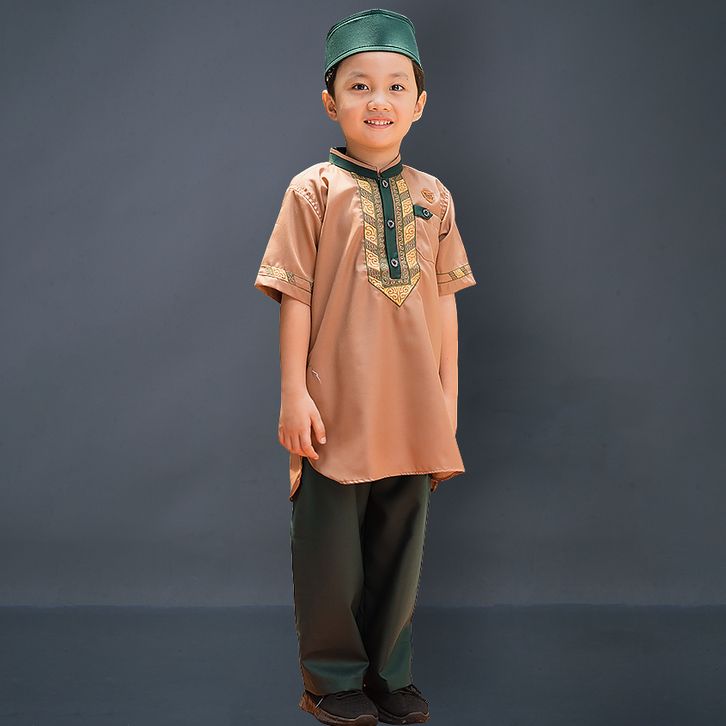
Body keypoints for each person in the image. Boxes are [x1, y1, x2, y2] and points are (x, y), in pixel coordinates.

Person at [254, 8, 477, 725]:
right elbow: (294, 294)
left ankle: (389, 675)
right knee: (331, 556)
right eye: (358, 86)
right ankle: (331, 680)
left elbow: (445, 303)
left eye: (395, 86)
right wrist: (293, 394)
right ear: (331, 102)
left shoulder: (434, 197)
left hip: (414, 408)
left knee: (398, 551)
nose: (377, 100)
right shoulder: (312, 191)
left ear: (419, 103)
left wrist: (447, 400)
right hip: (335, 406)